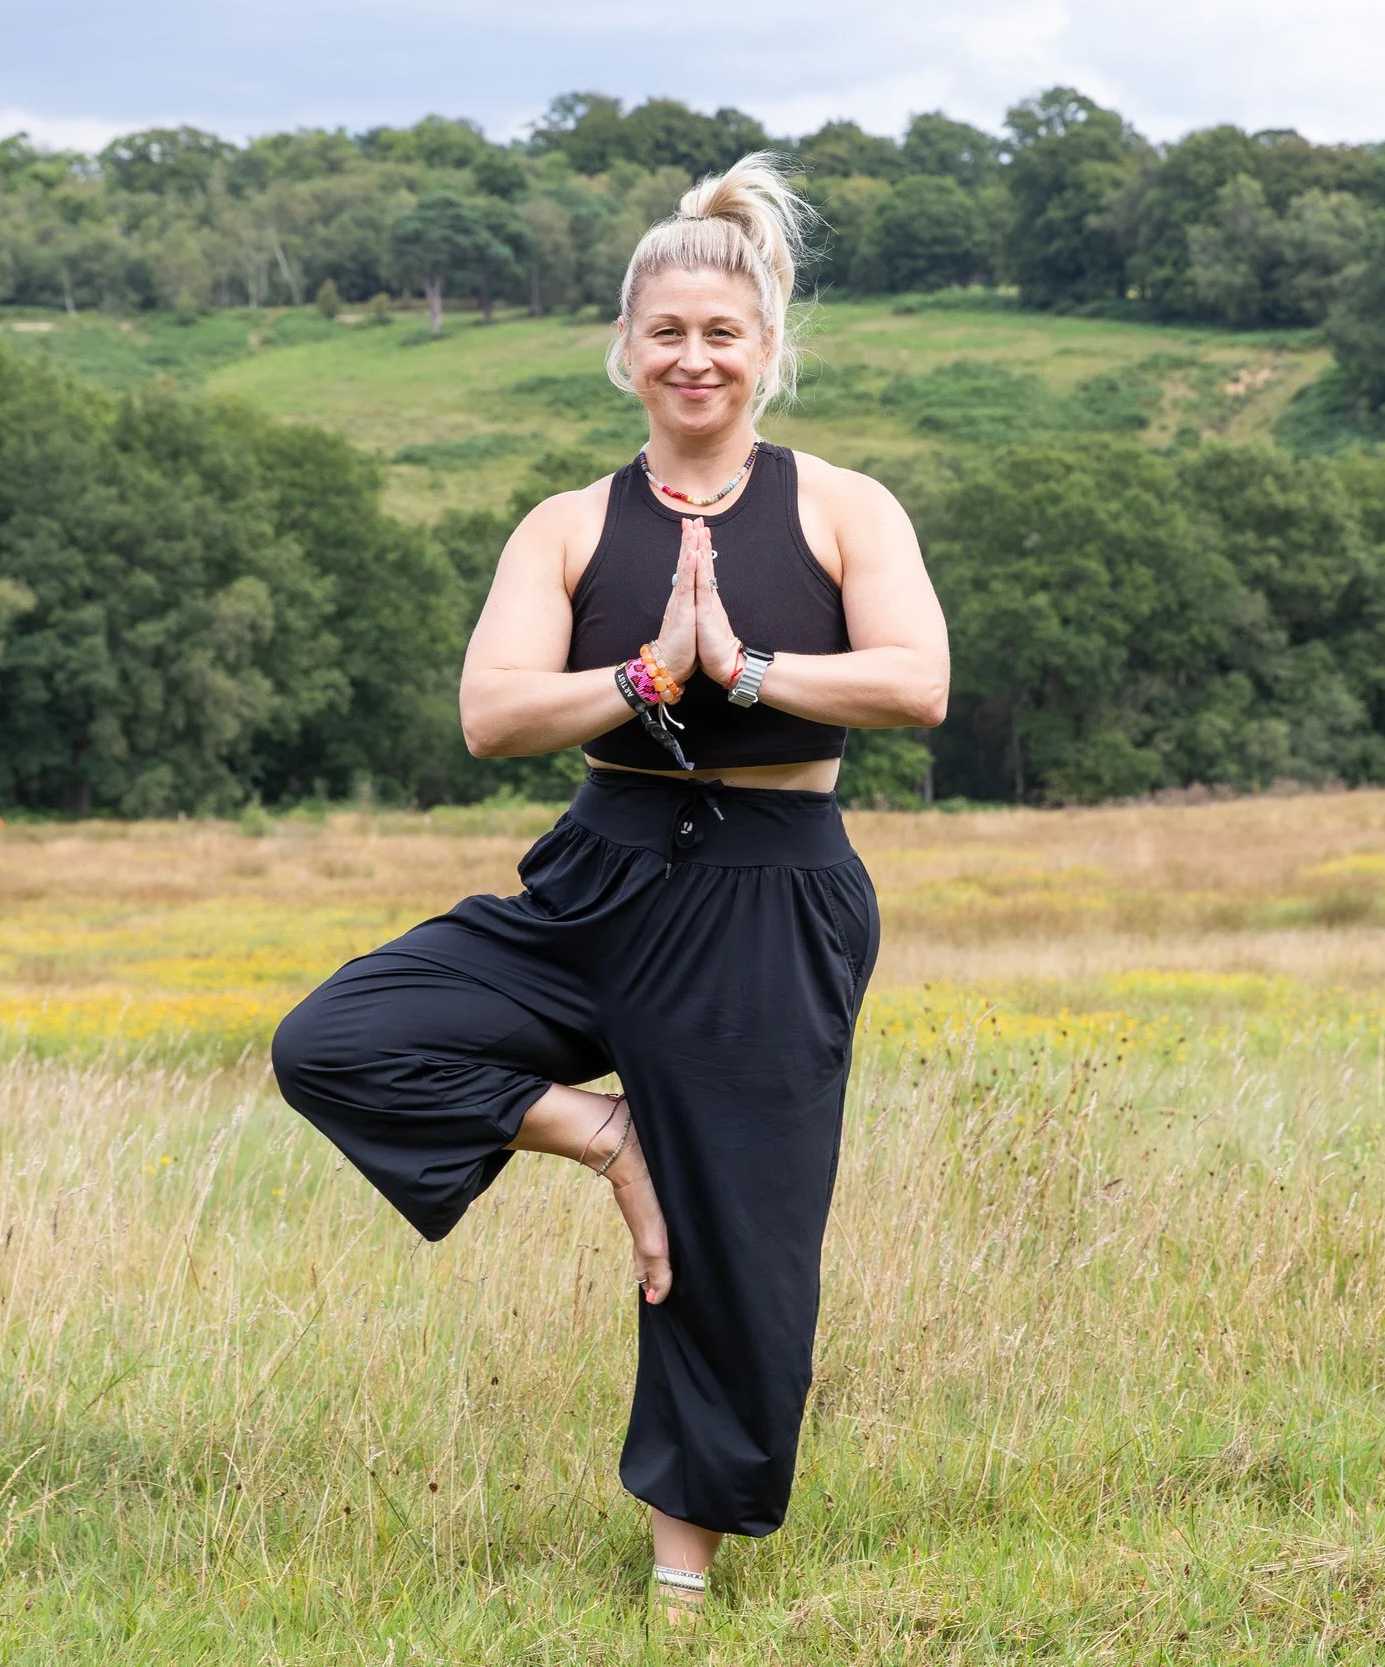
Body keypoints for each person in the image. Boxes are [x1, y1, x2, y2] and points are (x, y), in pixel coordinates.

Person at [269, 152, 949, 1622]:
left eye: (723, 333)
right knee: (336, 1036)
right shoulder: (569, 524)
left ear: (768, 347)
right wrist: (645, 678)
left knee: (740, 1252)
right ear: (625, 349)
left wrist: (745, 669)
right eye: (667, 333)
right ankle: (611, 1134)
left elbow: (918, 682)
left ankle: (678, 1587)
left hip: (773, 895)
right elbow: (492, 714)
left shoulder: (843, 508)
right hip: (601, 872)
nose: (695, 357)